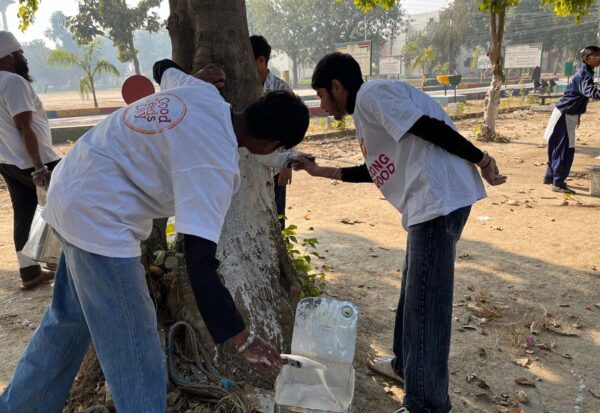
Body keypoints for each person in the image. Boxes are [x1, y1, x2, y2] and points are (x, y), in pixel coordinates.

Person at [0, 59, 309, 413]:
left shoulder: (201, 91)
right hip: (99, 218)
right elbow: (200, 262)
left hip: (72, 184)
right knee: (137, 343)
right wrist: (240, 337)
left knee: (68, 324)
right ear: (270, 145)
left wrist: (195, 76)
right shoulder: (215, 163)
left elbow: (162, 67)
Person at [294, 53, 506, 413]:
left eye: (322, 95)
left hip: (438, 200)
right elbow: (376, 170)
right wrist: (322, 172)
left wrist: (482, 159)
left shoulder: (373, 95)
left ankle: (426, 404)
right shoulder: (367, 110)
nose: (322, 104)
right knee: (414, 291)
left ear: (337, 86)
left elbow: (430, 128)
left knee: (427, 306)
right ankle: (405, 367)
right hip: (428, 204)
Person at [0, 31, 60, 289]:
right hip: (35, 161)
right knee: (65, 205)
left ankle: (30, 272)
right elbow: (24, 126)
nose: (25, 59)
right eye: (22, 54)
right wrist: (39, 167)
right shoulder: (12, 82)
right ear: (11, 57)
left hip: (7, 161)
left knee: (24, 213)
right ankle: (63, 263)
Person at [543, 46, 600, 194]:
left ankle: (550, 176)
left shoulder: (585, 72)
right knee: (565, 149)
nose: (598, 59)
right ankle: (558, 182)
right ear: (586, 59)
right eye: (594, 56)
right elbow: (590, 92)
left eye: (599, 56)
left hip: (563, 112)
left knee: (556, 146)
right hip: (566, 115)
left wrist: (578, 115)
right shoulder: (584, 74)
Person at [250, 34, 293, 230]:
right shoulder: (242, 89)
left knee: (277, 219)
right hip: (248, 168)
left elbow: (292, 129)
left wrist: (287, 165)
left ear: (261, 60)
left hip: (275, 169)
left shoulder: (281, 90)